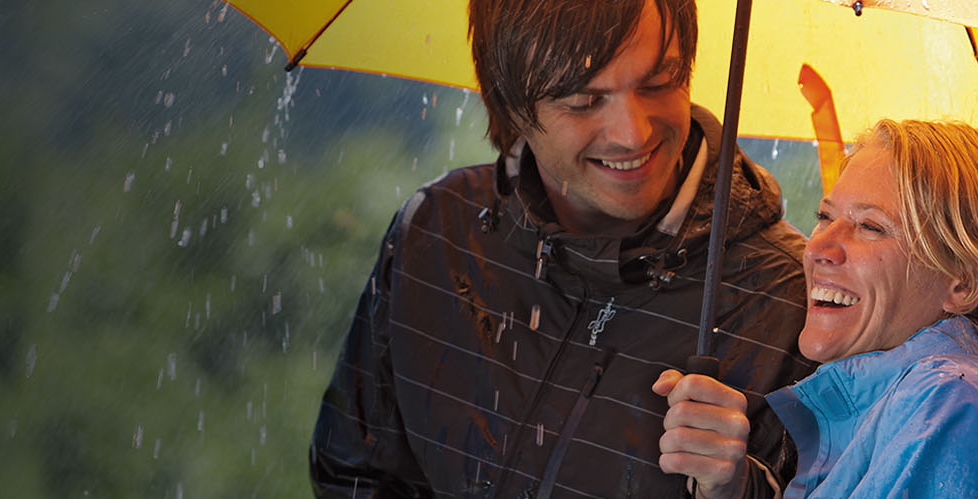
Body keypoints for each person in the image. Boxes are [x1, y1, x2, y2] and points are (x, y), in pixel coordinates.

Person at [307, 0, 815, 497]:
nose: (632, 133)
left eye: (660, 82)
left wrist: (742, 491)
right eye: (583, 101)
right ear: (511, 104)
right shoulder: (439, 230)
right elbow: (354, 476)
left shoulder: (796, 303)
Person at [751, 120, 978, 497]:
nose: (818, 248)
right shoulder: (902, 411)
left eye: (870, 226)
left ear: (965, 282)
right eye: (825, 217)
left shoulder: (949, 411)